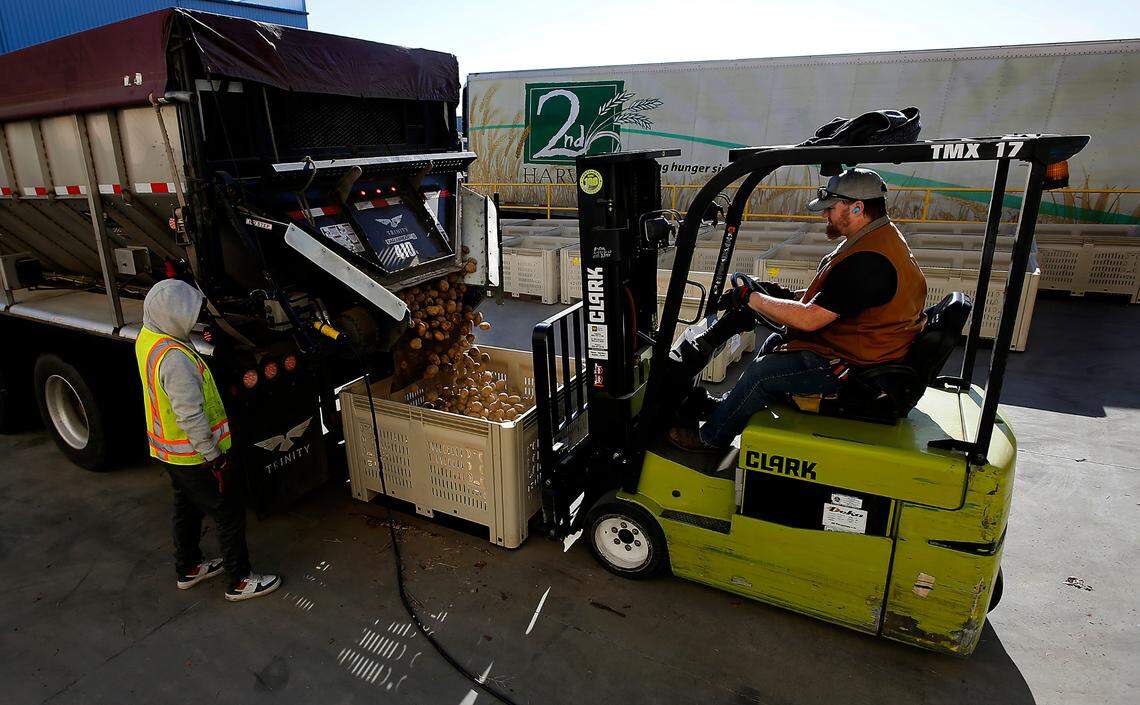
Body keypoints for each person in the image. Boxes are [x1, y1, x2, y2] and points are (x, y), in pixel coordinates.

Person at [669, 168, 928, 452]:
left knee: (763, 372)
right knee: (775, 343)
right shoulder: (877, 240)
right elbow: (834, 300)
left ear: (857, 207)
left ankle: (710, 440)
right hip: (864, 346)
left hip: (855, 367)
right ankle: (732, 406)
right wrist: (778, 294)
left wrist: (752, 298)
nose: (825, 215)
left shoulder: (869, 261)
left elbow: (810, 319)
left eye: (831, 208)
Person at [135, 278, 281, 601]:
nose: (195, 319)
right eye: (187, 314)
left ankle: (187, 567)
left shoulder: (149, 338)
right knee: (228, 510)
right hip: (194, 455)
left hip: (168, 454)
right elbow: (190, 415)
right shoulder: (174, 359)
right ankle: (239, 580)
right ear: (171, 317)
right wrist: (215, 457)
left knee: (186, 506)